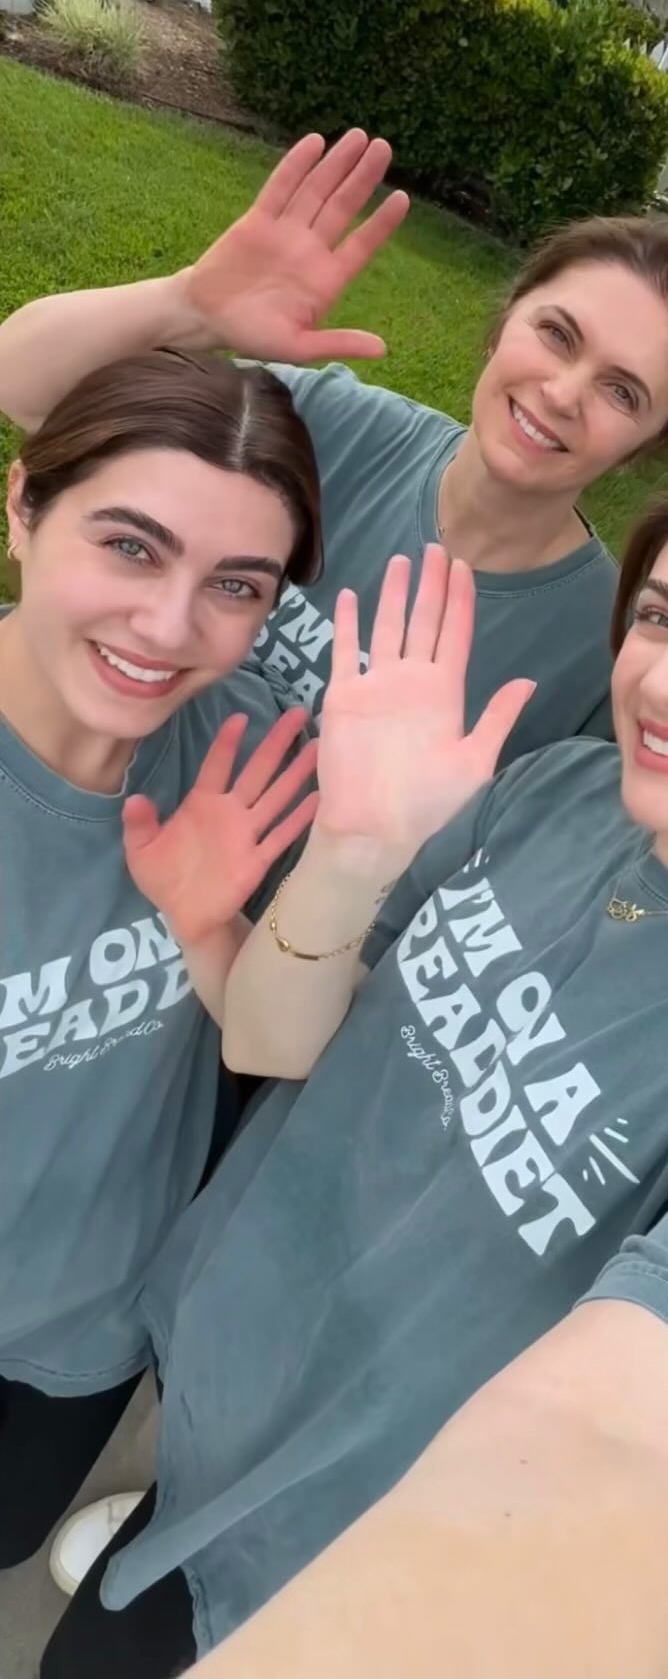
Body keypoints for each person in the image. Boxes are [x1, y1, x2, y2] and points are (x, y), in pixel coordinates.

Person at [40, 473, 668, 1679]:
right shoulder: (555, 793)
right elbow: (273, 1041)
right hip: (217, 1387)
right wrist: (354, 846)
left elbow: (631, 1448)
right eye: (656, 615)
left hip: (339, 1558)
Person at [0, 131, 668, 755]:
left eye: (622, 391)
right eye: (556, 334)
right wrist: (186, 305)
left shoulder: (602, 654)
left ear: (654, 439)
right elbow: (26, 388)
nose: (561, 392)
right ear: (503, 322)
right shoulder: (325, 426)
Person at [0, 349, 323, 1588]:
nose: (168, 625)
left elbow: (279, 1050)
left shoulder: (253, 755)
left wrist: (210, 925)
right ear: (21, 506)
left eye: (235, 584)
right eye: (129, 545)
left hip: (92, 1324)